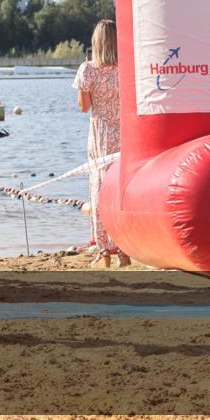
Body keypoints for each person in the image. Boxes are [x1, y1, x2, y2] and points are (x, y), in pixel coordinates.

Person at [73, 19, 127, 268]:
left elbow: (84, 107)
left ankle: (104, 251)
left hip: (101, 134)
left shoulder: (88, 69)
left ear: (96, 42)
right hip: (125, 133)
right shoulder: (126, 67)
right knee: (122, 191)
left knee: (98, 191)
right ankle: (125, 249)